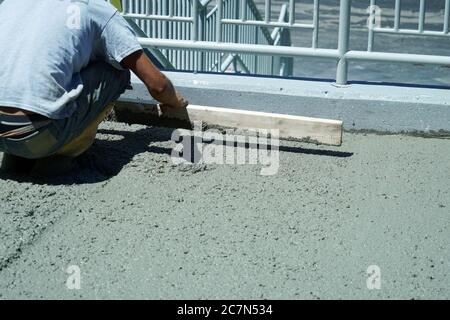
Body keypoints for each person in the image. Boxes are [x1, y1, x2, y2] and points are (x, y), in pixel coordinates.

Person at [0, 0, 188, 174]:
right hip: (40, 137)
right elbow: (159, 87)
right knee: (116, 70)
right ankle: (65, 153)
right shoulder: (95, 8)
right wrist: (175, 101)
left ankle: (17, 155)